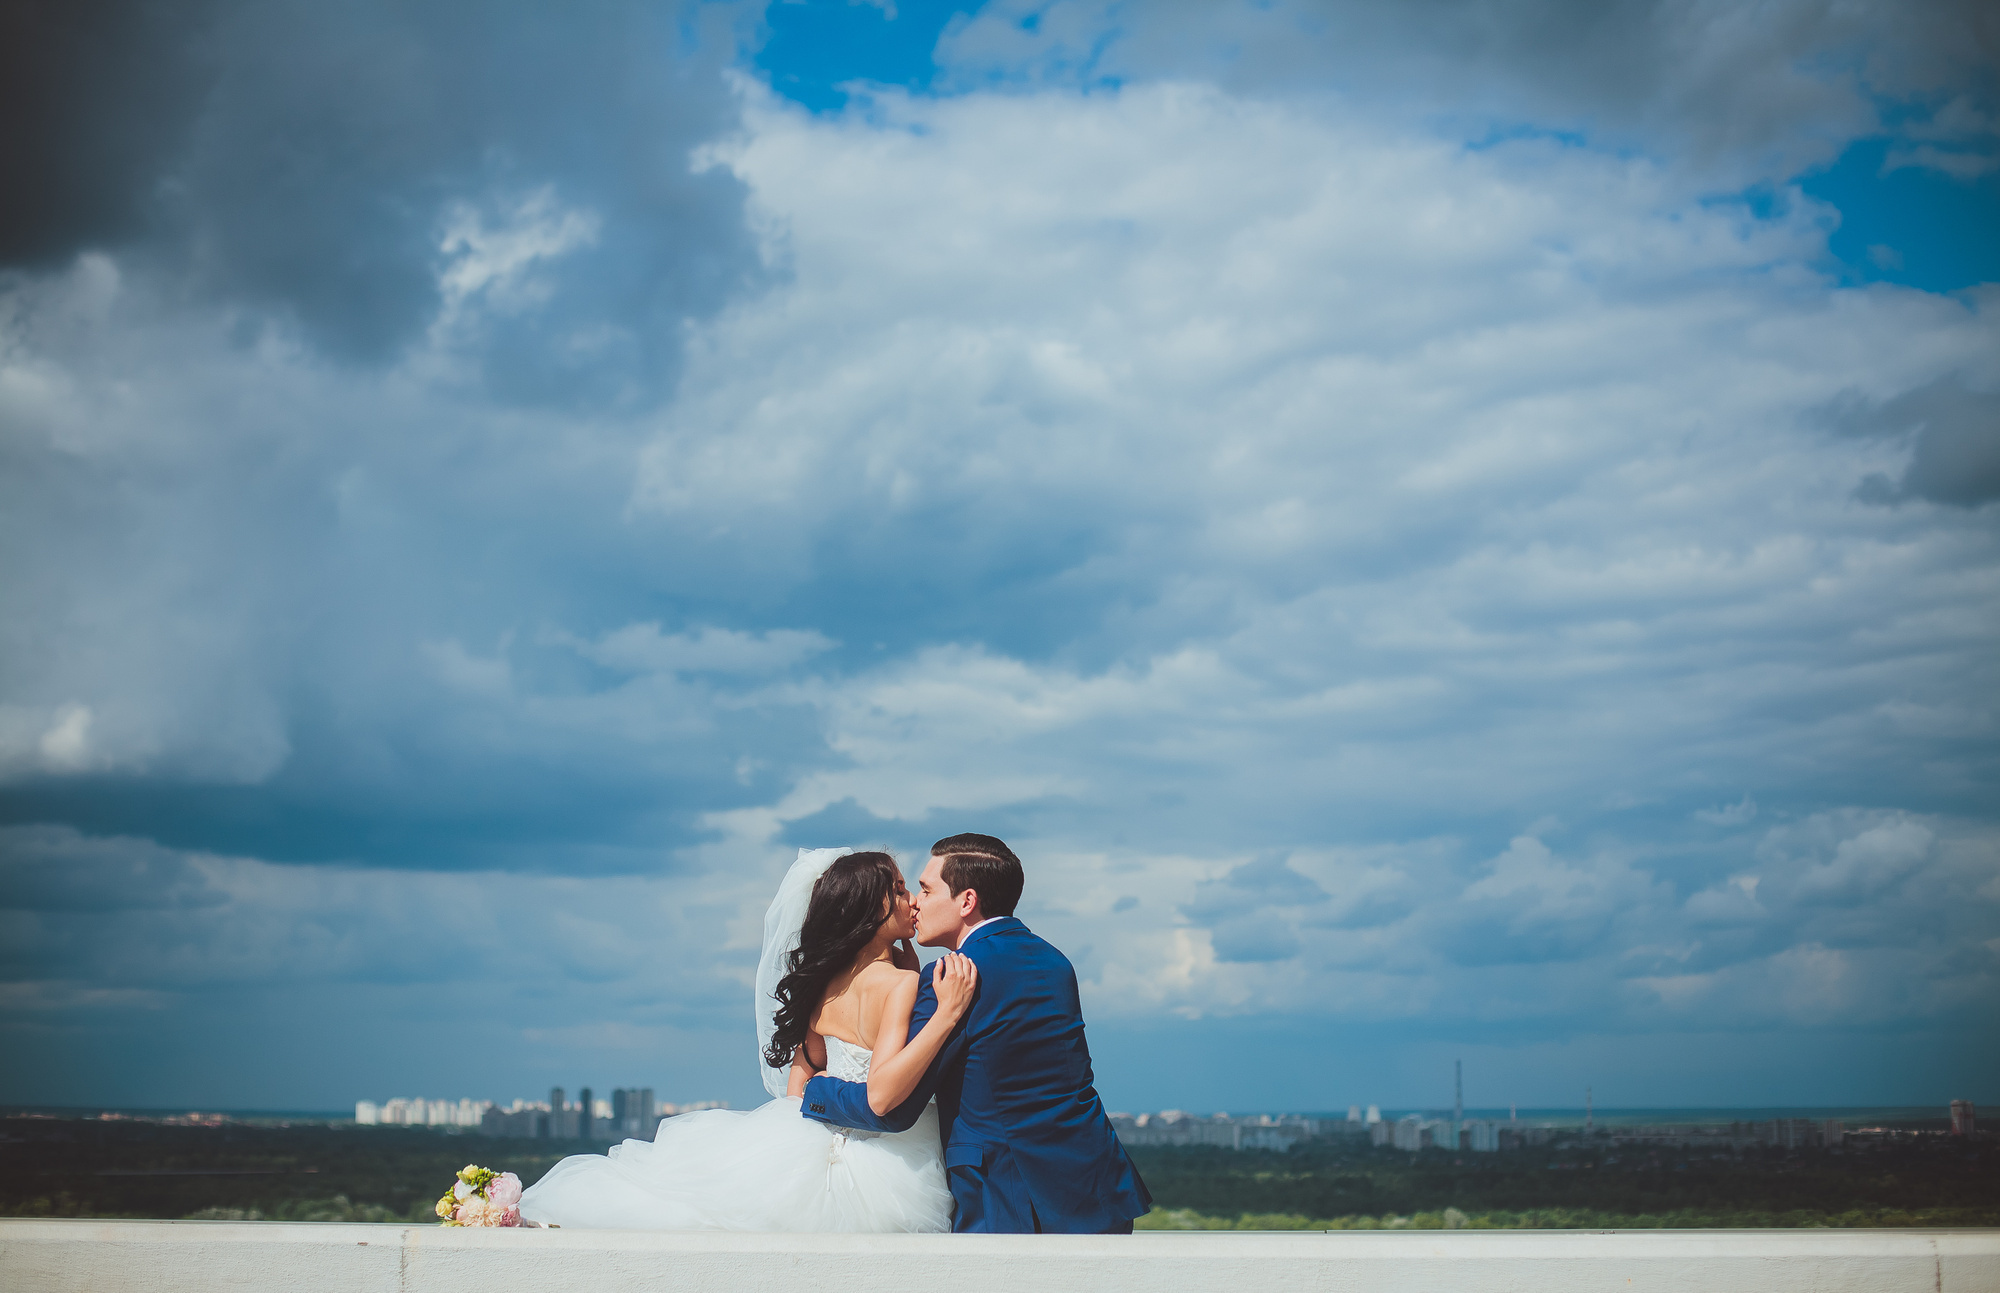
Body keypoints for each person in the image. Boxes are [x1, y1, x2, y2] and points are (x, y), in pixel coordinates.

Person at [518, 849, 974, 1230]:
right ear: (874, 908)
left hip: (810, 1136)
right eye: (898, 890)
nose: (912, 899)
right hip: (886, 1160)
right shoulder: (900, 985)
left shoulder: (826, 985)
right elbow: (883, 1090)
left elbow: (800, 1084)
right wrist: (946, 1013)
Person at [801, 833, 1152, 1233]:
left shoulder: (952, 977)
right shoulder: (1055, 961)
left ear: (966, 901)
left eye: (926, 889)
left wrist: (819, 1092)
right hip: (1093, 1182)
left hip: (1007, 1195)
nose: (916, 901)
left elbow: (893, 1110)